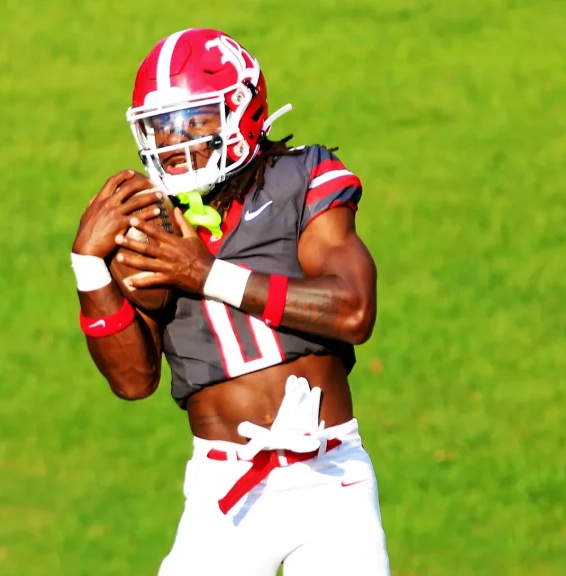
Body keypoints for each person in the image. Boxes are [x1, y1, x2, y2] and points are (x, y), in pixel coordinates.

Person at [69, 28, 390, 576]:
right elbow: (132, 381)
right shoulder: (150, 219)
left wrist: (208, 275)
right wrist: (88, 268)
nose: (176, 141)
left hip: (330, 477)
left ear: (241, 110)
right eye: (163, 126)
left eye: (196, 120)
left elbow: (354, 310)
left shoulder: (300, 177)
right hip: (225, 494)